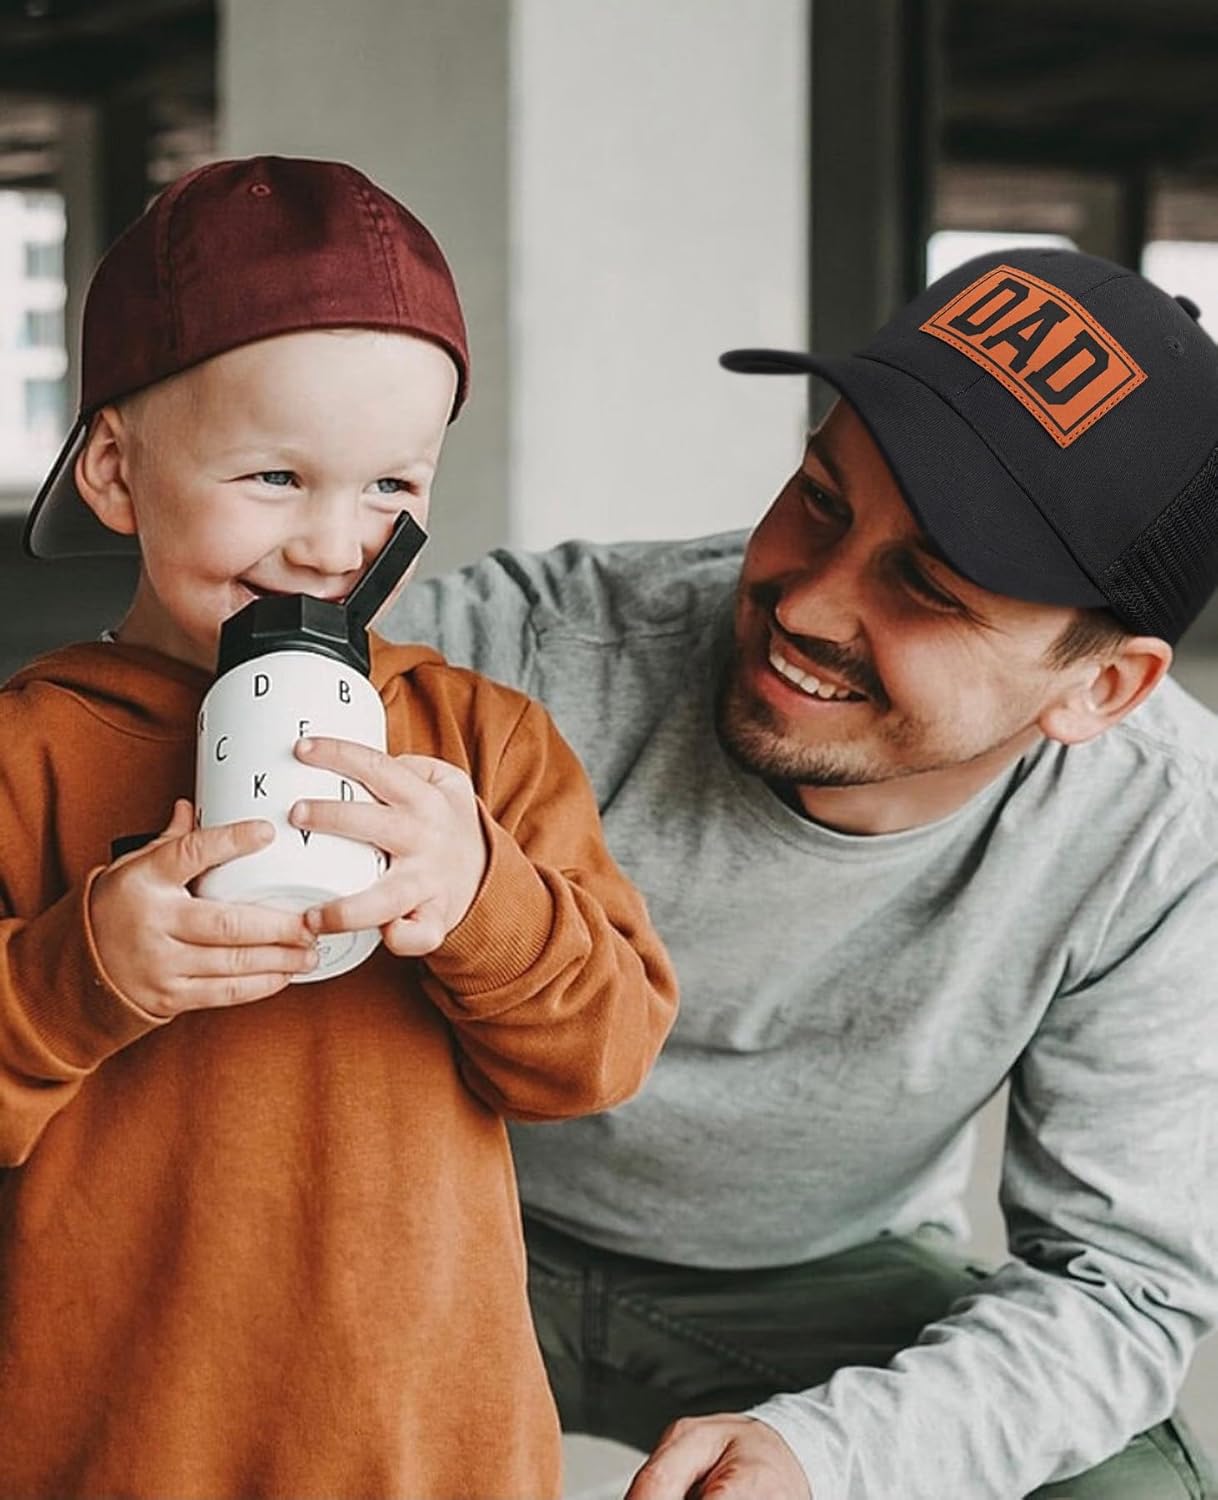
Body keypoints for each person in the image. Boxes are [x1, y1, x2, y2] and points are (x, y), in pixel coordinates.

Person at [388, 246, 1218, 1499]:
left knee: (1130, 1486)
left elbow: (1120, 1290)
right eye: (824, 499)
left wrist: (829, 1457)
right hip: (435, 1212)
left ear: (1101, 688)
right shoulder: (533, 652)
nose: (809, 601)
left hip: (815, 1276)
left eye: (927, 587)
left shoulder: (1160, 831)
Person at [0, 155, 677, 1500]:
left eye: (388, 488)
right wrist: (80, 976)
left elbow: (602, 1054)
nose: (329, 544)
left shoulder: (481, 744)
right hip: (120, 1451)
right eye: (273, 476)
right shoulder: (27, 755)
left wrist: (482, 898)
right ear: (118, 470)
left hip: (426, 1451)